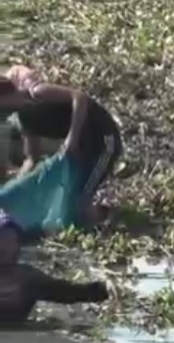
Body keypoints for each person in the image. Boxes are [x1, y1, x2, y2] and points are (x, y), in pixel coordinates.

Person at [0, 65, 124, 227]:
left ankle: (113, 216)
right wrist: (16, 186)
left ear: (8, 95)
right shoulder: (24, 120)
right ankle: (98, 213)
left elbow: (80, 98)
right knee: (71, 209)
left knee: (81, 204)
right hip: (81, 148)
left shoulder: (37, 93)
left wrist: (72, 137)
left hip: (104, 140)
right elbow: (31, 158)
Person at [0, 213, 109, 324]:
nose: (7, 247)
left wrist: (104, 289)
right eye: (2, 240)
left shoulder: (28, 279)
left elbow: (68, 292)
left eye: (11, 241)